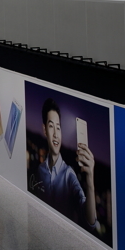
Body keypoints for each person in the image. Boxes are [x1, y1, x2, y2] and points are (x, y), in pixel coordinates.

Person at [37, 98, 97, 228]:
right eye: (51, 126)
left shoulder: (68, 174)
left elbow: (90, 221)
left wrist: (90, 180)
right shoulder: (40, 170)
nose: (55, 135)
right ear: (44, 130)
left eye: (58, 128)